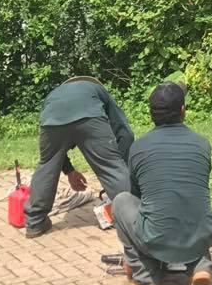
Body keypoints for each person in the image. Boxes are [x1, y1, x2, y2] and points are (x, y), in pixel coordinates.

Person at [112, 82, 212, 285]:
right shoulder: (201, 144)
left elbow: (137, 195)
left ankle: (146, 278)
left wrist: (131, 256)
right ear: (183, 110)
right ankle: (201, 267)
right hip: (201, 231)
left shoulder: (138, 147)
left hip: (157, 236)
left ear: (151, 114)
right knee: (190, 204)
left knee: (122, 201)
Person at [25, 75, 134, 238]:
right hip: (89, 117)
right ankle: (133, 217)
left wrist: (69, 171)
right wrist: (122, 164)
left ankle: (35, 223)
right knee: (111, 166)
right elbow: (124, 133)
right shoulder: (98, 90)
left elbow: (54, 152)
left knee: (46, 165)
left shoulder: (53, 94)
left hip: (51, 122)